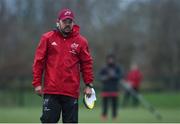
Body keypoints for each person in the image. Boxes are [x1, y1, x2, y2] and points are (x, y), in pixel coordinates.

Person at [32, 8, 94, 123]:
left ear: (73, 23)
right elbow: (38, 62)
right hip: (51, 91)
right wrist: (37, 83)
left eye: (70, 22)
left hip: (71, 92)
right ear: (58, 22)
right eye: (64, 21)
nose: (67, 24)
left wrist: (88, 84)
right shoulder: (47, 38)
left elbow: (87, 64)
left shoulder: (81, 41)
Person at [99, 54, 123, 121]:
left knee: (114, 104)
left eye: (112, 59)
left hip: (114, 88)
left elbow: (121, 75)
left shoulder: (117, 67)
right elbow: (99, 76)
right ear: (107, 60)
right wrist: (105, 78)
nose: (110, 60)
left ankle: (114, 116)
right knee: (105, 104)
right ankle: (104, 116)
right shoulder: (104, 68)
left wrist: (114, 76)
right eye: (109, 59)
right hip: (106, 88)